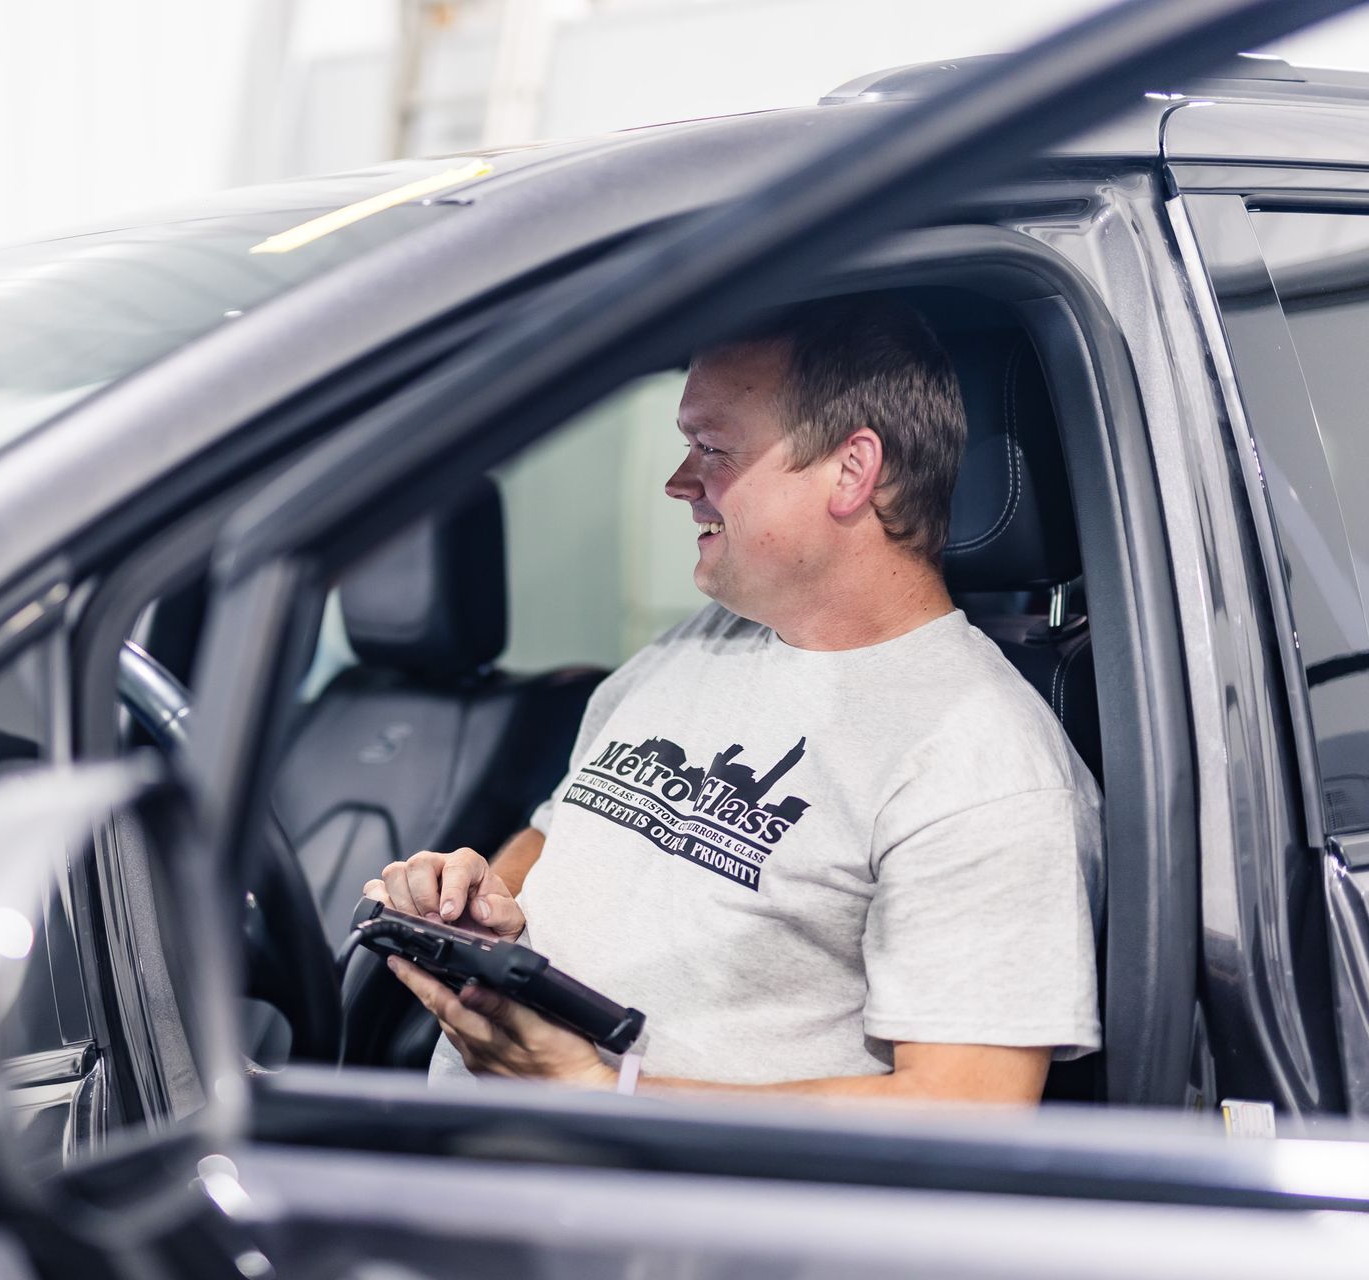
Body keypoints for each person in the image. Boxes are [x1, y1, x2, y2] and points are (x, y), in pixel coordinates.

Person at [365, 295, 1103, 1103]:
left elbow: (968, 1115)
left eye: (711, 449)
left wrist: (604, 1094)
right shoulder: (698, 644)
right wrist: (484, 897)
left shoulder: (983, 760)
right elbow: (558, 831)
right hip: (464, 1172)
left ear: (852, 470)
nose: (680, 483)